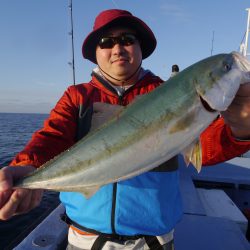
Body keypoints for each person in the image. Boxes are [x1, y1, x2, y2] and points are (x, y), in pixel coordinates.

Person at [0, 9, 250, 250]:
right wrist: (28, 166)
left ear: (140, 48)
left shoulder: (166, 93)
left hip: (153, 242)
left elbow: (204, 147)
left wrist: (242, 127)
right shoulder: (78, 97)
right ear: (95, 53)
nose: (117, 48)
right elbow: (52, 137)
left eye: (127, 40)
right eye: (106, 42)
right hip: (85, 240)